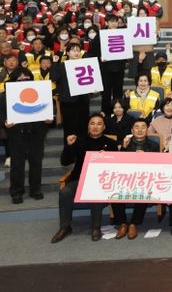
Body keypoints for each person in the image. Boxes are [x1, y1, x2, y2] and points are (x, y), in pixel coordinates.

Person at [51, 114, 118, 243]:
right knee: (65, 192)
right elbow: (65, 162)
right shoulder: (79, 141)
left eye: (99, 124)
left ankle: (96, 227)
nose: (95, 127)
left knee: (95, 193)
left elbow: (117, 165)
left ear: (104, 127)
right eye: (92, 123)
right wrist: (69, 146)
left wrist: (108, 157)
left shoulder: (110, 143)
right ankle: (65, 227)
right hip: (80, 179)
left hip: (101, 181)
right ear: (88, 126)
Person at [0, 69, 53, 204]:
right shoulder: (4, 96)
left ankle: (35, 190)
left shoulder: (41, 92)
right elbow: (1, 115)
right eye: (20, 79)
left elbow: (50, 110)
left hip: (36, 134)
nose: (24, 81)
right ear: (13, 80)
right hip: (17, 135)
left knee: (36, 163)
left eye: (27, 78)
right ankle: (16, 192)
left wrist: (49, 120)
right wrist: (4, 123)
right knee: (17, 165)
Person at [111, 118, 160, 239]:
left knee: (143, 190)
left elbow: (157, 165)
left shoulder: (154, 145)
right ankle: (123, 223)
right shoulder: (126, 143)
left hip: (145, 178)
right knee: (115, 190)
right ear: (132, 130)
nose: (140, 130)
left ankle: (134, 224)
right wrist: (123, 147)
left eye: (143, 127)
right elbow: (118, 164)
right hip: (126, 178)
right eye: (136, 127)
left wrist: (146, 157)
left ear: (147, 129)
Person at [50, 42, 90, 144]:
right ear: (67, 53)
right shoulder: (62, 65)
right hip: (68, 102)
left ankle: (82, 150)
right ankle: (69, 151)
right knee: (69, 128)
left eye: (78, 50)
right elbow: (53, 77)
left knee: (83, 128)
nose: (76, 52)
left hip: (82, 100)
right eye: (73, 50)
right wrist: (55, 63)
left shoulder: (85, 65)